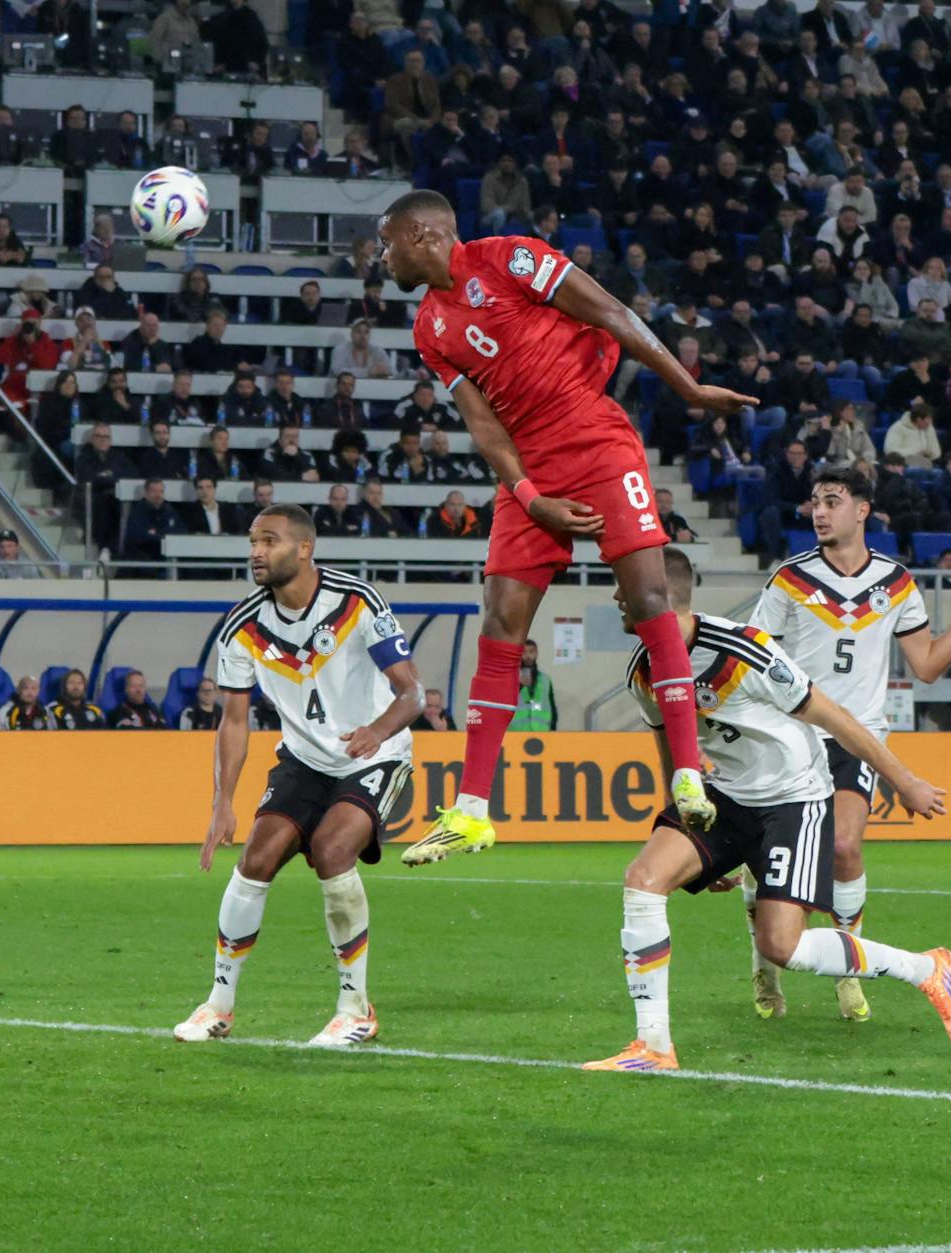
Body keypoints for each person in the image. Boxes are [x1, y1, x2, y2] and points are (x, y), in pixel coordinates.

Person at [379, 189, 755, 863]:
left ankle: (690, 774)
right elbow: (482, 425)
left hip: (593, 435)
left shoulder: (510, 259)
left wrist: (688, 388)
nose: (382, 258)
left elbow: (611, 313)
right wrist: (529, 496)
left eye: (386, 243)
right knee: (500, 619)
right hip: (529, 464)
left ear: (420, 234)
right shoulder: (428, 327)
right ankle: (470, 813)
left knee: (648, 601)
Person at [583, 549, 951, 1073]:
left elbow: (836, 717)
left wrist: (905, 781)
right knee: (644, 878)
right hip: (726, 797)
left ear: (656, 594)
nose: (615, 596)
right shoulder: (644, 671)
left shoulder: (744, 652)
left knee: (781, 946)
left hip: (793, 799)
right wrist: (690, 822)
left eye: (622, 586)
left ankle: (926, 968)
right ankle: (653, 1045)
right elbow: (671, 748)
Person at [748, 468, 951, 1021]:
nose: (819, 512)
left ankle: (847, 968)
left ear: (863, 510)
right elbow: (757, 659)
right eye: (814, 502)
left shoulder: (896, 582)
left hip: (854, 737)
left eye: (832, 501)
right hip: (792, 732)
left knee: (843, 848)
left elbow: (928, 666)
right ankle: (765, 969)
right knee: (765, 859)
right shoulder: (789, 579)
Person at [178, 505, 422, 1048]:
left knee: (334, 850)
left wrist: (376, 731)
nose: (256, 552)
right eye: (252, 542)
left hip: (374, 755)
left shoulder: (357, 602)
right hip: (305, 758)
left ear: (305, 548)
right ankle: (217, 1007)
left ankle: (355, 1009)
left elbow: (413, 693)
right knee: (255, 861)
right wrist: (223, 801)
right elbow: (234, 721)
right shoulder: (241, 627)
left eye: (269, 541)